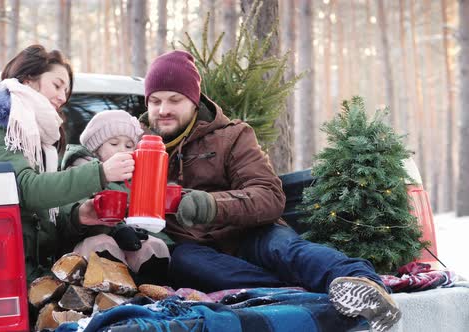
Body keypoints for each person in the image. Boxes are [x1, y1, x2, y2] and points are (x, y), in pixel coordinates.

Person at [141, 50, 401, 332]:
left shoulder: (232, 136)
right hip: (199, 251)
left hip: (250, 234)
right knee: (185, 262)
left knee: (285, 248)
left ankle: (362, 285)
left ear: (193, 100)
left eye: (174, 99)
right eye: (155, 101)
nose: (163, 109)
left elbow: (269, 196)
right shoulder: (136, 148)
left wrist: (211, 205)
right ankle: (300, 292)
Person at [0, 45, 134, 285]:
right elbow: (26, 190)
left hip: (37, 271)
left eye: (66, 91)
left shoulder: (38, 137)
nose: (62, 97)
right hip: (3, 278)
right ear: (28, 80)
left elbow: (41, 221)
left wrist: (78, 216)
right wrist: (101, 172)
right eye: (57, 85)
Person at [61, 110, 172, 284]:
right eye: (114, 143)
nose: (123, 150)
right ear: (96, 150)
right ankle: (106, 295)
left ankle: (148, 294)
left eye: (129, 146)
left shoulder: (136, 178)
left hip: (129, 247)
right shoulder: (78, 172)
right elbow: (72, 210)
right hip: (85, 243)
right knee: (102, 244)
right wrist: (115, 229)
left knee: (155, 245)